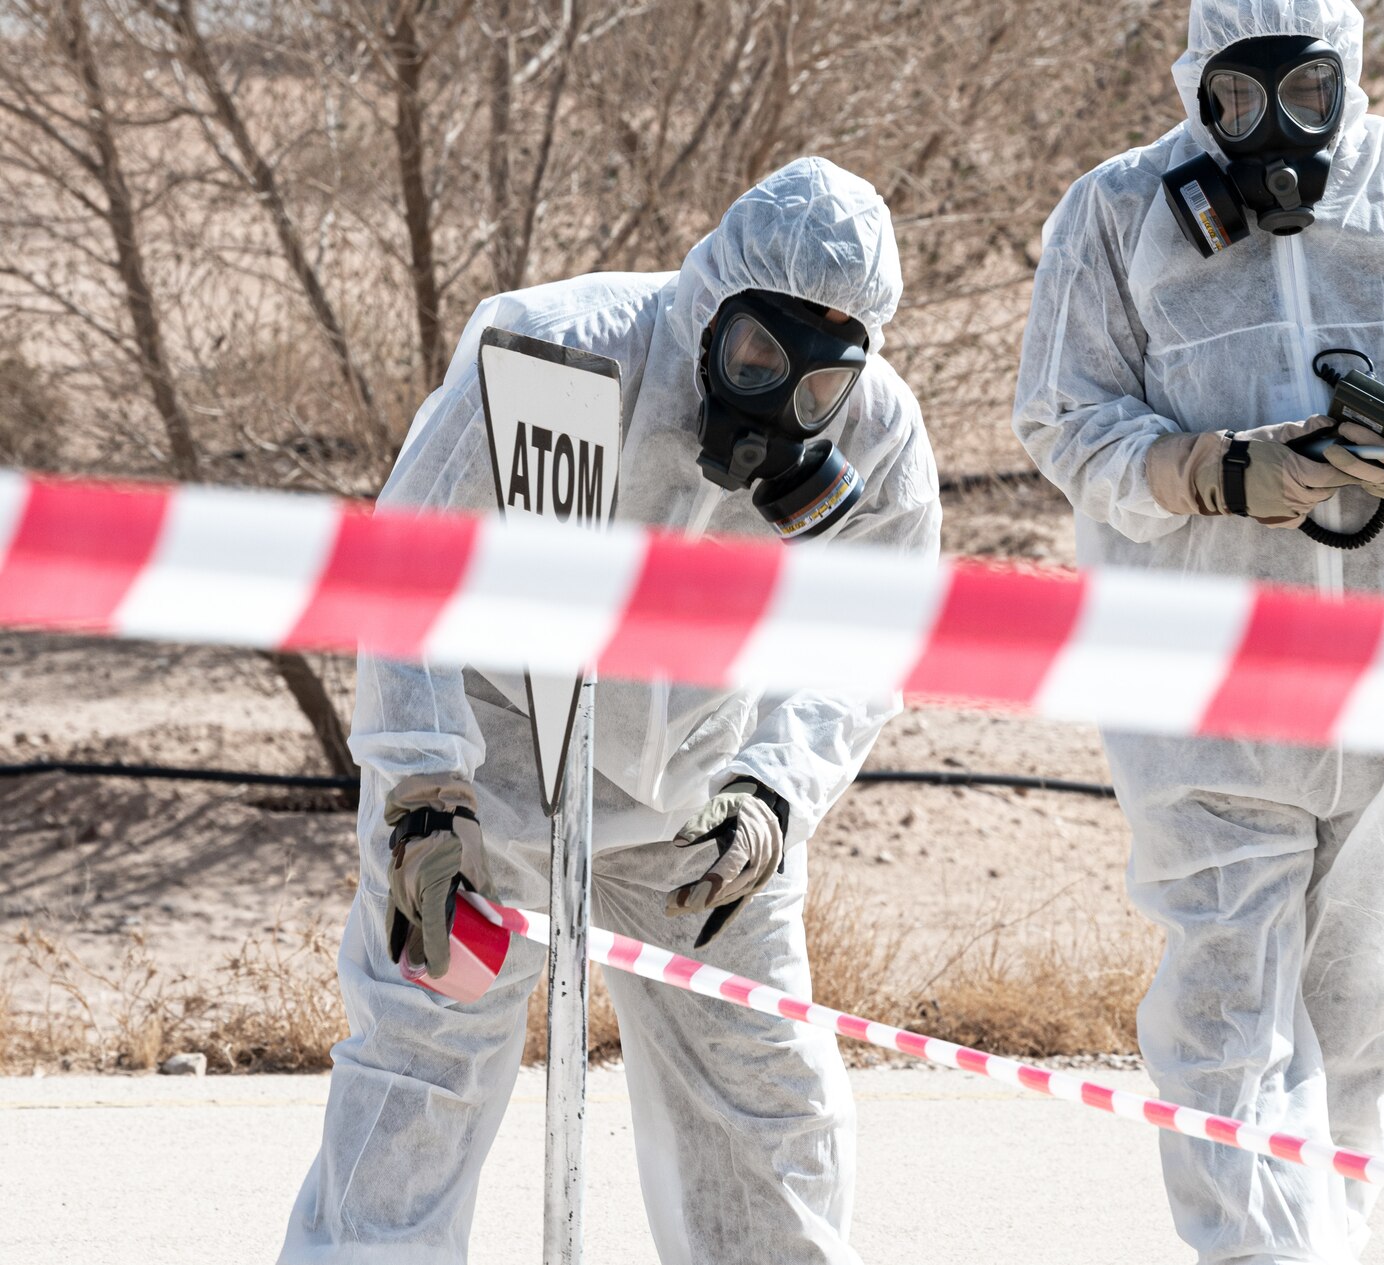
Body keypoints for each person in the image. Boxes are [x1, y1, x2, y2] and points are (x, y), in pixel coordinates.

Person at [282, 157, 940, 1265]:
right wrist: (423, 795)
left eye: (816, 384)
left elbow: (872, 640)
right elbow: (404, 572)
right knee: (419, 1076)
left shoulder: (876, 439)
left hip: (704, 804)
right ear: (708, 298)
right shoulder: (556, 351)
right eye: (753, 356)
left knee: (765, 1098)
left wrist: (774, 789)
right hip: (490, 776)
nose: (778, 395)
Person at [1012, 3, 1384, 1262]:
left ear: (1350, 80)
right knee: (1224, 1013)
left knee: (1371, 1005)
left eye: (1305, 93)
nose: (1271, 125)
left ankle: (1322, 1241)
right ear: (1192, 88)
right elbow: (1062, 417)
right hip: (1208, 692)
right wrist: (1209, 471)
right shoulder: (1117, 212)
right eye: (1235, 97)